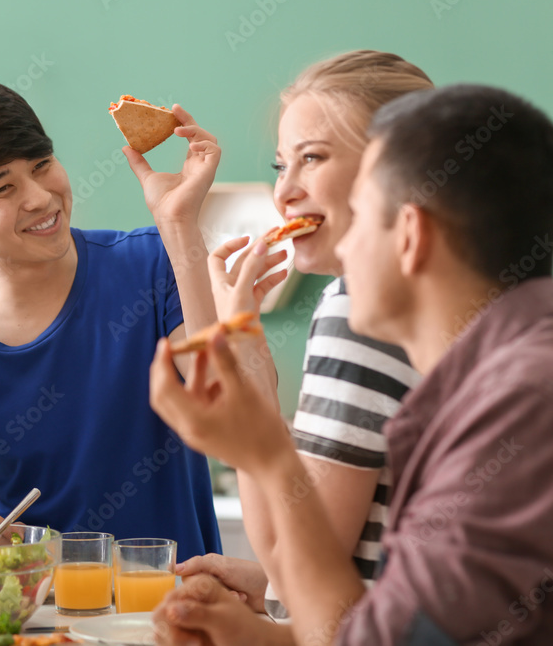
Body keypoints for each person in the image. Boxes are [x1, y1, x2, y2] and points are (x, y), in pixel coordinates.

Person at [150, 84, 553, 644]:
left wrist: (268, 457)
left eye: (361, 214)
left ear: (411, 236)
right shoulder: (487, 380)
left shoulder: (519, 404)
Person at [0, 76, 260, 558]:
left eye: (42, 165)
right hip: (29, 624)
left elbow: (225, 408)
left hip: (181, 612)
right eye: (2, 188)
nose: (39, 197)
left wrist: (179, 225)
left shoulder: (153, 265)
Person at [177, 50, 433, 620]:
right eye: (279, 166)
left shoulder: (362, 307)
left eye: (311, 158)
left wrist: (238, 350)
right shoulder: (443, 290)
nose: (284, 193)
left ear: (394, 167)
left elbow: (302, 575)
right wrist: (265, 579)